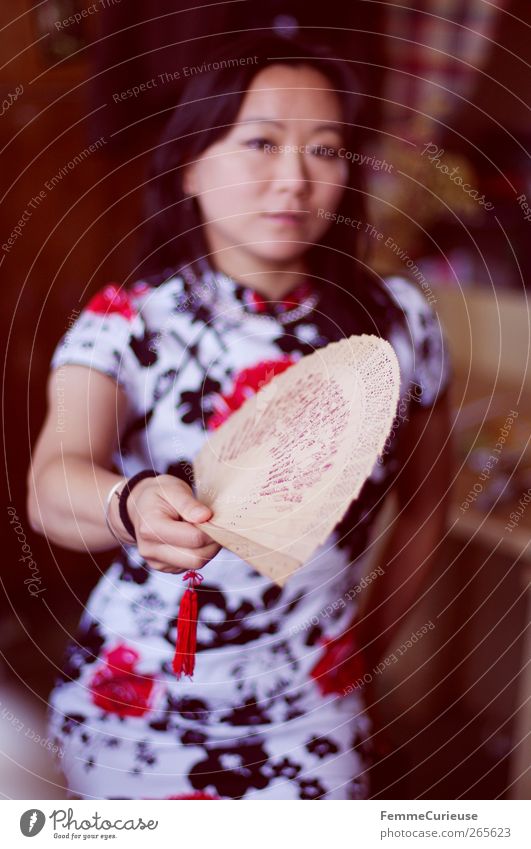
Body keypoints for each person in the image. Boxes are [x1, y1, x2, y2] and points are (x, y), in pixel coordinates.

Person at [27, 34, 453, 800]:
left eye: (324, 149)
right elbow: (53, 480)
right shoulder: (130, 324)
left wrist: (362, 652)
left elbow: (425, 503)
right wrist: (127, 504)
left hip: (309, 706)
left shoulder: (397, 325)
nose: (294, 177)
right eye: (260, 141)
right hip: (140, 693)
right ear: (191, 162)